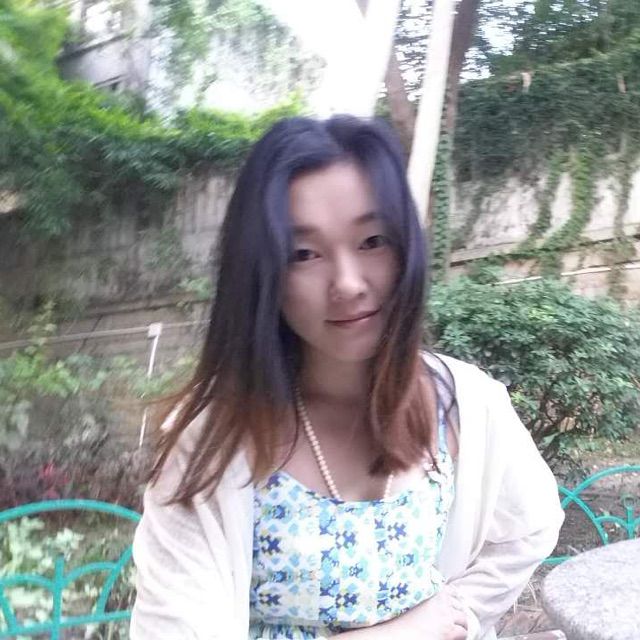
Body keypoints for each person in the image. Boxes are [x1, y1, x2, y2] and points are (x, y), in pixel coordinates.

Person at [130, 115, 564, 640]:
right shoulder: (211, 441)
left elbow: (531, 525)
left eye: (372, 240)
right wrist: (407, 632)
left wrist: (463, 614)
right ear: (264, 273)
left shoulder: (464, 403)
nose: (348, 283)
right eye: (304, 254)